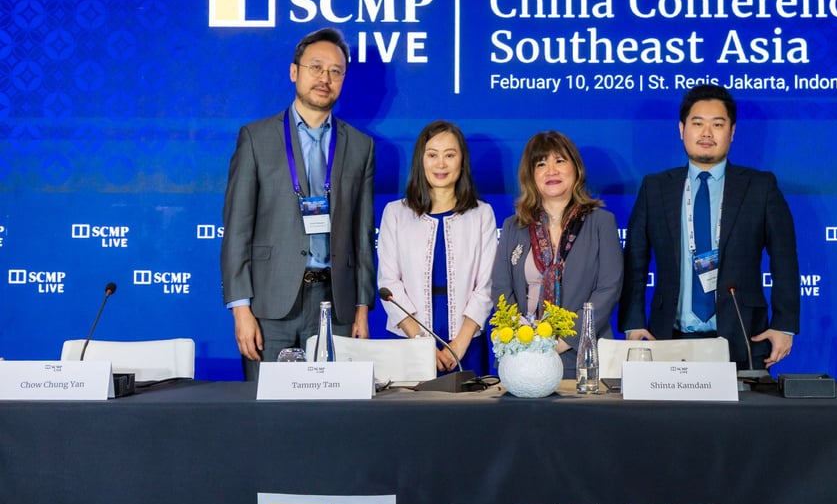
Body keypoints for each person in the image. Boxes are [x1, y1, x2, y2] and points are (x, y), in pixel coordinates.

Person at [220, 27, 376, 381]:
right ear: (295, 72)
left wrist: (362, 309)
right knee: (268, 419)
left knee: (331, 414)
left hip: (336, 305)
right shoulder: (256, 138)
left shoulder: (361, 146)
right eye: (316, 67)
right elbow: (237, 229)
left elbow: (362, 236)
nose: (325, 78)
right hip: (269, 304)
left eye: (336, 71)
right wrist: (241, 309)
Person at [619, 84, 799, 370]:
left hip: (742, 337)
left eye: (717, 124)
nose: (706, 133)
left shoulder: (760, 187)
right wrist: (633, 321)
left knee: (738, 417)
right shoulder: (655, 188)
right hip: (666, 337)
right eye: (697, 123)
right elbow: (635, 262)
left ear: (732, 132)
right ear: (681, 129)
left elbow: (785, 261)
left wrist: (784, 325)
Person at [492, 131, 623, 378]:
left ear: (576, 169)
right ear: (531, 175)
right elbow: (501, 288)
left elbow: (608, 289)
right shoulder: (513, 226)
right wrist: (524, 340)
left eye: (560, 161)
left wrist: (561, 341)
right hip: (521, 357)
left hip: (581, 355)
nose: (551, 170)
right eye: (541, 164)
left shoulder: (601, 222)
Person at [377, 120, 497, 375]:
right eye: (432, 155)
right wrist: (421, 343)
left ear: (461, 161)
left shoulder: (481, 214)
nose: (441, 164)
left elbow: (485, 286)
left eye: (450, 155)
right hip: (409, 341)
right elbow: (388, 282)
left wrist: (460, 344)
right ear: (421, 160)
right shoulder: (396, 213)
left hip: (467, 343)